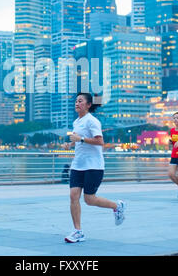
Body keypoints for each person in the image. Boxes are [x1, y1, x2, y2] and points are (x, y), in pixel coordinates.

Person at [63, 92, 126, 243]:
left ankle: (117, 206)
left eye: (80, 101)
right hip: (78, 164)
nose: (77, 104)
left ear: (88, 105)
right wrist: (70, 144)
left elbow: (100, 142)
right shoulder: (76, 122)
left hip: (93, 166)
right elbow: (78, 139)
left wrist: (81, 139)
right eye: (76, 101)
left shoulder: (93, 121)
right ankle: (78, 231)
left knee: (89, 199)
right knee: (73, 196)